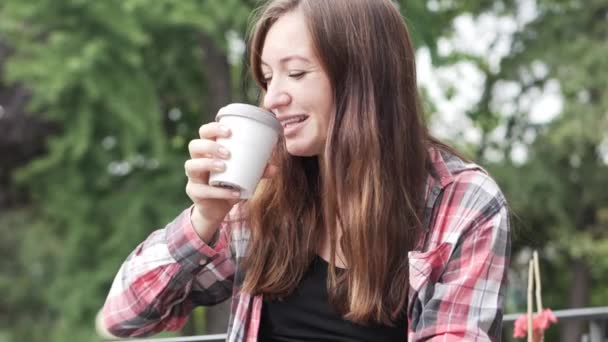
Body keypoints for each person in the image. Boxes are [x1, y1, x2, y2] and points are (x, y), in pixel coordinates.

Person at [101, 0, 511, 341]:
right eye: (266, 78)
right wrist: (203, 217)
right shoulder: (265, 193)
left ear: (362, 76)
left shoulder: (463, 201)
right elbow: (126, 316)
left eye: (296, 73)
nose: (273, 98)